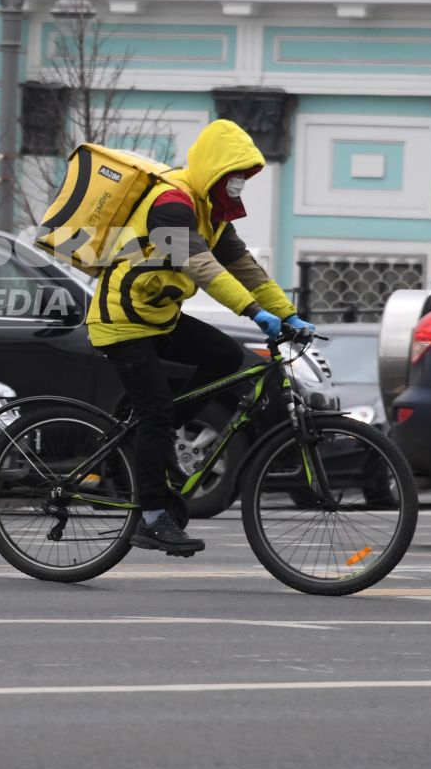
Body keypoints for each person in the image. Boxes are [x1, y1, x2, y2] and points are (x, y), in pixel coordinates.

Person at [86, 119, 315, 556]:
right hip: (121, 320)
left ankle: (161, 431)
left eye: (245, 178)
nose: (239, 186)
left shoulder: (210, 212)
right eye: (235, 176)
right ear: (214, 170)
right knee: (153, 412)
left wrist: (290, 314)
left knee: (225, 355)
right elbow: (200, 266)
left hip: (158, 317)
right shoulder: (169, 203)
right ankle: (153, 519)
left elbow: (246, 269)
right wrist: (252, 311)